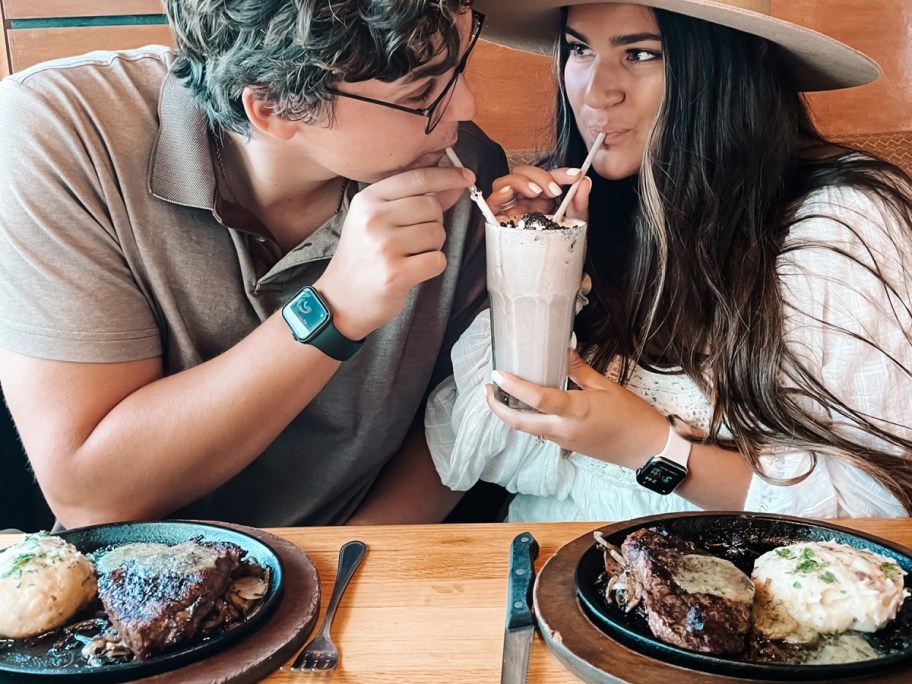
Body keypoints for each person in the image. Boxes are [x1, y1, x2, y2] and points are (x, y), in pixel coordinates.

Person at [0, 0, 510, 529]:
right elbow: (90, 495)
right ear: (273, 107)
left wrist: (345, 581)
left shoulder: (462, 168)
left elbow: (455, 428)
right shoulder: (60, 131)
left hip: (364, 569)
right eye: (422, 94)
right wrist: (333, 310)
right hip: (136, 580)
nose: (466, 106)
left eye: (460, 68)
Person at [426, 0, 912, 521]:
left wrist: (651, 448)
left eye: (640, 53)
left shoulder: (838, 218)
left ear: (735, 66)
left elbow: (879, 506)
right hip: (533, 569)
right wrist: (538, 261)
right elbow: (481, 448)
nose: (596, 92)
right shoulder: (577, 208)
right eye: (579, 49)